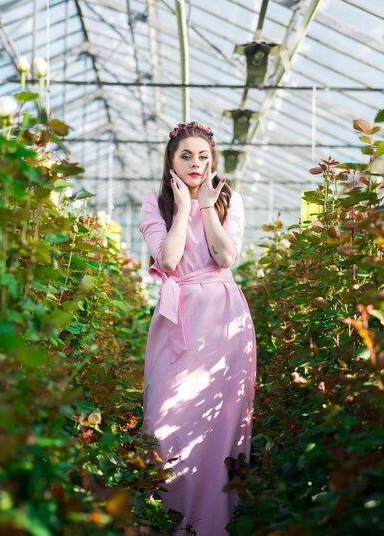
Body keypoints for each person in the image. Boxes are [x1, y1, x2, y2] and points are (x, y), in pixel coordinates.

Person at [139, 121, 256, 536]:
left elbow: (225, 257)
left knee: (219, 426)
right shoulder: (156, 205)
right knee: (165, 421)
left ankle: (214, 524)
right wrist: (184, 209)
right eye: (186, 155)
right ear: (170, 161)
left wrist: (206, 206)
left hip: (225, 320)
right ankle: (168, 519)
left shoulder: (229, 201)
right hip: (178, 320)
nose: (195, 164)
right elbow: (168, 262)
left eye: (203, 156)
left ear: (213, 160)